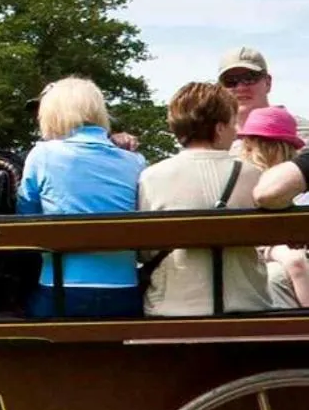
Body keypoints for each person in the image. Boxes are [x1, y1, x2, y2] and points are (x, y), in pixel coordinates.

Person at [136, 83, 269, 317]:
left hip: (173, 307)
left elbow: (145, 252)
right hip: (248, 304)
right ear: (219, 128)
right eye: (232, 123)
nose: (236, 131)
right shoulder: (253, 175)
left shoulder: (151, 177)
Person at [18, 78, 146, 318]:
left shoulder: (42, 155)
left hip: (61, 293)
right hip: (125, 293)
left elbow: (26, 216)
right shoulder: (135, 161)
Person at [234, 107, 309, 306]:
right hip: (269, 252)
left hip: (244, 259)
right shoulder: (284, 183)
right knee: (295, 264)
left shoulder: (236, 177)